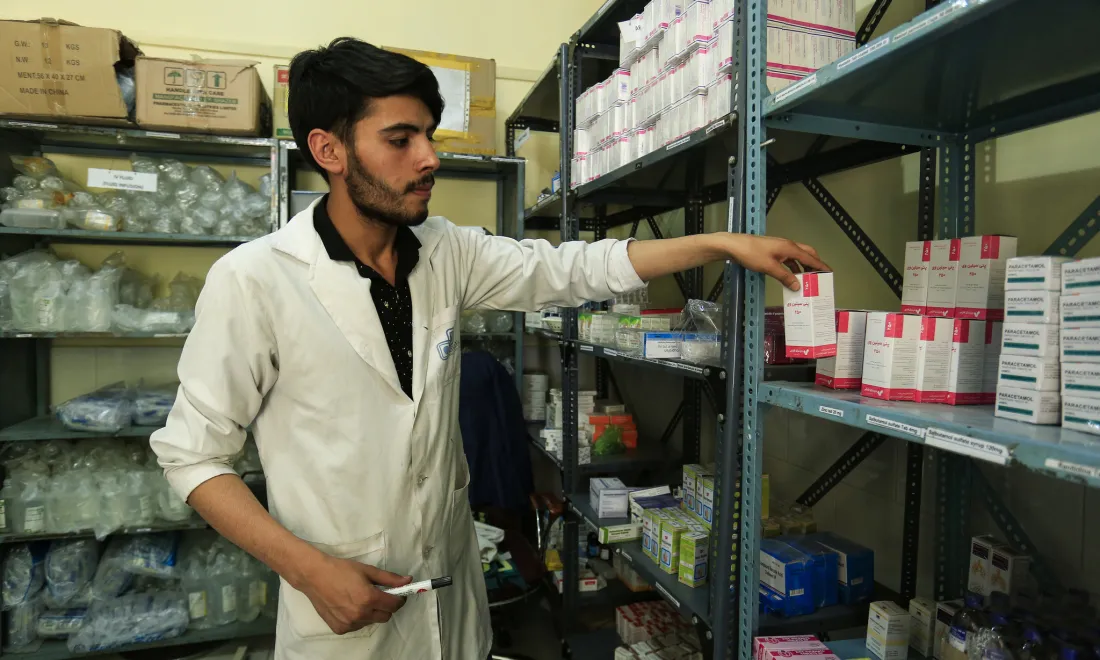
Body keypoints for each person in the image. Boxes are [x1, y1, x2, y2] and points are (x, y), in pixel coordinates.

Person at [149, 37, 828, 660]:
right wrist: (308, 569)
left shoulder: (445, 250)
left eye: (429, 135)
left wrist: (720, 243)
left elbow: (570, 270)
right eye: (400, 139)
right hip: (341, 609)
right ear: (330, 150)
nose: (430, 158)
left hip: (449, 595)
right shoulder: (256, 279)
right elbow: (193, 456)